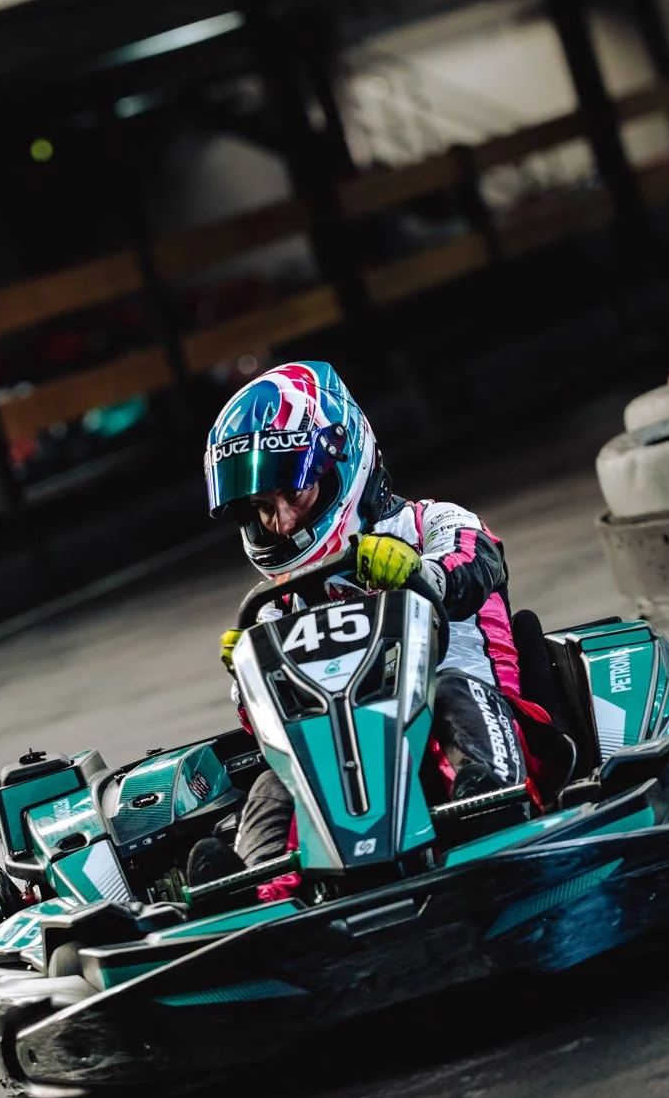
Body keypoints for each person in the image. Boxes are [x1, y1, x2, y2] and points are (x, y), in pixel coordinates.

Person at [202, 360, 571, 874]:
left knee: (451, 695)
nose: (281, 522)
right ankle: (257, 886)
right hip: (355, 760)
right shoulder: (277, 603)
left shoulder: (431, 523)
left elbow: (476, 562)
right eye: (264, 506)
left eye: (295, 493)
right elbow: (272, 726)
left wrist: (420, 573)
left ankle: (493, 815)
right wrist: (248, 676)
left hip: (484, 729)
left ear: (343, 461)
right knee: (280, 774)